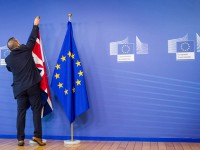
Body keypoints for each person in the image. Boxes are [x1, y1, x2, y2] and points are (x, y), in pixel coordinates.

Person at [5, 16, 46, 146]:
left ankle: (20, 139)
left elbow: (10, 69)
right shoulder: (26, 50)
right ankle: (37, 137)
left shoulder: (8, 60)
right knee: (36, 110)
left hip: (19, 89)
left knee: (20, 113)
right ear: (17, 43)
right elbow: (32, 38)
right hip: (32, 86)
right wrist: (35, 25)